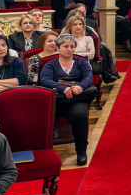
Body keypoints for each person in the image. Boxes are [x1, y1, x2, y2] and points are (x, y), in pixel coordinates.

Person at [38, 34, 95, 165]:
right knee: (44, 112)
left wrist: (81, 87)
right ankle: (43, 150)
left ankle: (81, 151)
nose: (69, 49)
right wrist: (62, 88)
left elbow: (88, 77)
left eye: (72, 47)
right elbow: (46, 80)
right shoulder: (50, 64)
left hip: (77, 97)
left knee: (79, 114)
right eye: (65, 46)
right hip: (58, 98)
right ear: (58, 48)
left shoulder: (81, 62)